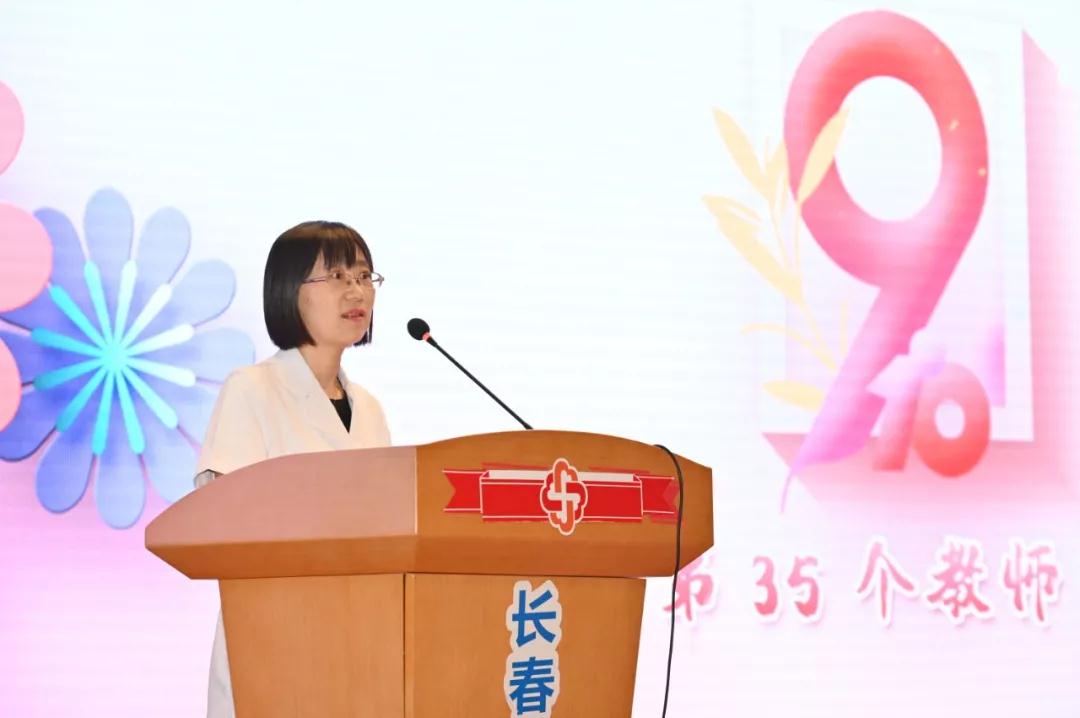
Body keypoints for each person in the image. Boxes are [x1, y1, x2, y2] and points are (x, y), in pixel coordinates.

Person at [192, 220, 391, 718]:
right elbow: (223, 522)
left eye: (364, 276)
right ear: (288, 291)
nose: (356, 291)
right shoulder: (251, 389)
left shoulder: (369, 409)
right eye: (337, 276)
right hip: (274, 640)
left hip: (359, 646)